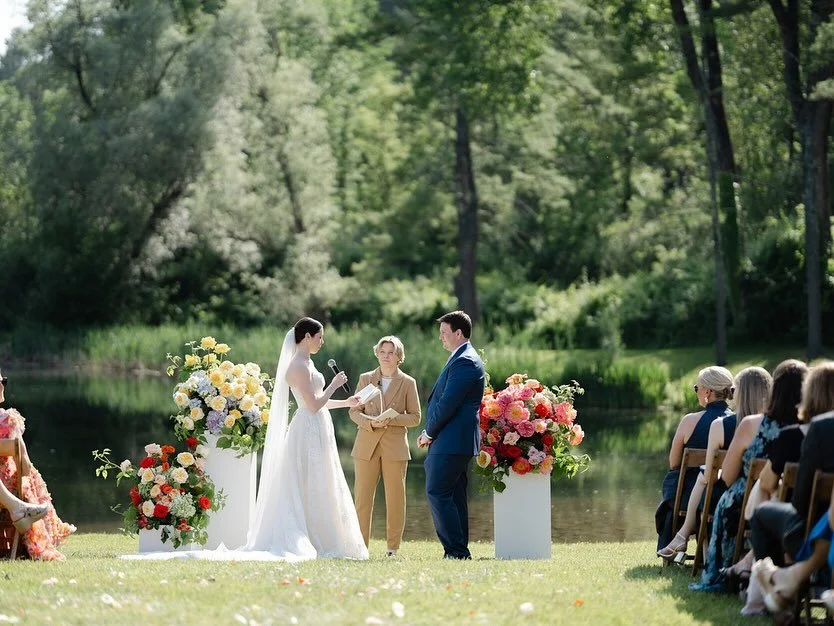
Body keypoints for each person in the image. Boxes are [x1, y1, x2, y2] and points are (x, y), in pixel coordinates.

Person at [122, 318, 369, 562]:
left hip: (318, 426)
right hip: (307, 429)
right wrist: (334, 385)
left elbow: (317, 402)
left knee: (323, 479)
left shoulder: (309, 363)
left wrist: (346, 402)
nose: (322, 342)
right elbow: (313, 405)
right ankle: (311, 537)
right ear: (306, 337)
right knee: (307, 479)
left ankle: (326, 537)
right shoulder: (297, 367)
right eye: (319, 337)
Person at [691, 361, 804, 592]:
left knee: (727, 501)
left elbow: (729, 477)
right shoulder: (808, 428)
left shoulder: (750, 424)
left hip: (744, 501)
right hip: (795, 501)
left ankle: (724, 571)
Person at [748, 362, 834, 612]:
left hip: (807, 528)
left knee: (762, 514)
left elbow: (801, 502)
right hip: (825, 525)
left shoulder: (821, 430)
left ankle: (775, 592)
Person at [417, 311, 485, 560]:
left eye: (444, 333)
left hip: (451, 439)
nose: (441, 338)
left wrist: (428, 433)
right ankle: (458, 550)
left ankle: (455, 551)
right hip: (452, 440)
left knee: (438, 491)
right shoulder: (461, 358)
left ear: (459, 333)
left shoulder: (465, 361)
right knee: (453, 496)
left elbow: (448, 403)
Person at [349, 336, 421, 556]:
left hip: (395, 447)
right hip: (366, 444)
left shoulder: (408, 382)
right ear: (377, 353)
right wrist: (370, 423)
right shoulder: (366, 378)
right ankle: (361, 548)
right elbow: (354, 411)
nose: (386, 356)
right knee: (362, 499)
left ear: (399, 356)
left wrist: (392, 419)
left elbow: (416, 417)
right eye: (383, 351)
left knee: (396, 499)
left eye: (391, 352)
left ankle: (392, 549)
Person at [656, 366, 735, 554]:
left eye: (696, 388)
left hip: (687, 497)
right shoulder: (738, 423)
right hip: (723, 494)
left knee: (673, 480)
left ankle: (675, 539)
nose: (696, 392)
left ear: (707, 392)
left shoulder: (689, 421)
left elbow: (674, 463)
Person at [0, 368, 74, 560]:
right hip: (10, 485)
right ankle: (16, 506)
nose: (3, 385)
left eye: (4, 381)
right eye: (2, 382)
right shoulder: (8, 420)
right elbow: (24, 468)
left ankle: (15, 506)